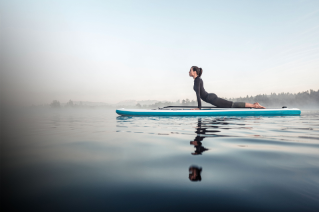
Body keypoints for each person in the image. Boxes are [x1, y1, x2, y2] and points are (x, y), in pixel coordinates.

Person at [189, 66, 265, 110]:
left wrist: (199, 108)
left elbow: (198, 95)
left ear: (195, 72)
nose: (189, 72)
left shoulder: (197, 80)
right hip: (210, 98)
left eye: (190, 70)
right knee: (231, 104)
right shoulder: (197, 80)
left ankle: (254, 105)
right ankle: (254, 105)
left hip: (211, 99)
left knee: (232, 105)